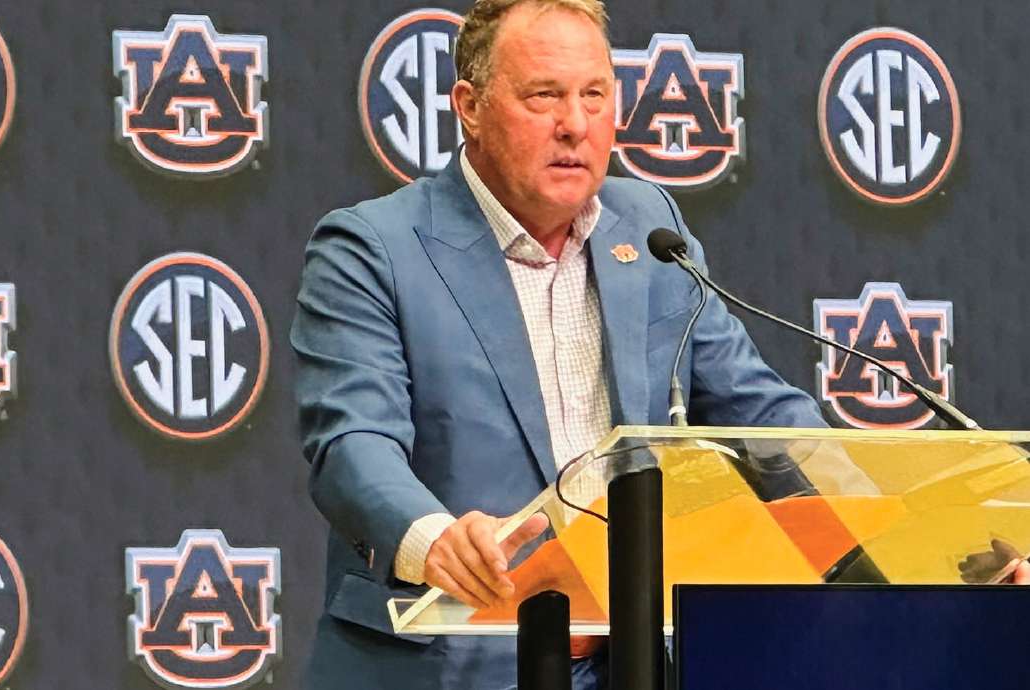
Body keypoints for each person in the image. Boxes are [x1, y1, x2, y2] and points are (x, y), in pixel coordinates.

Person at [290, 1, 1028, 688]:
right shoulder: (374, 247)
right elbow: (353, 442)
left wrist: (928, 549)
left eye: (595, 96)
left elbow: (762, 419)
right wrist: (435, 539)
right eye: (544, 96)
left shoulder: (644, 225)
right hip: (447, 662)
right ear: (470, 108)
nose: (575, 125)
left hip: (634, 659)